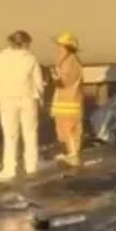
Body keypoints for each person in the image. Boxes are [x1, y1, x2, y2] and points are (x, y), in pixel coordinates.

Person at [0, 30, 44, 181]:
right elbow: (38, 82)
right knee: (30, 134)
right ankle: (31, 167)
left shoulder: (0, 58)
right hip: (27, 99)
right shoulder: (30, 58)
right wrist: (39, 97)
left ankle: (9, 168)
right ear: (25, 42)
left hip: (6, 100)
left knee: (10, 135)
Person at [50, 32, 85, 166]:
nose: (58, 49)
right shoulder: (68, 61)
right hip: (66, 101)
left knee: (69, 129)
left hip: (69, 102)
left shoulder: (70, 62)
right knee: (65, 129)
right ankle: (70, 153)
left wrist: (53, 77)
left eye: (61, 46)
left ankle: (73, 155)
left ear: (68, 48)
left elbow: (63, 82)